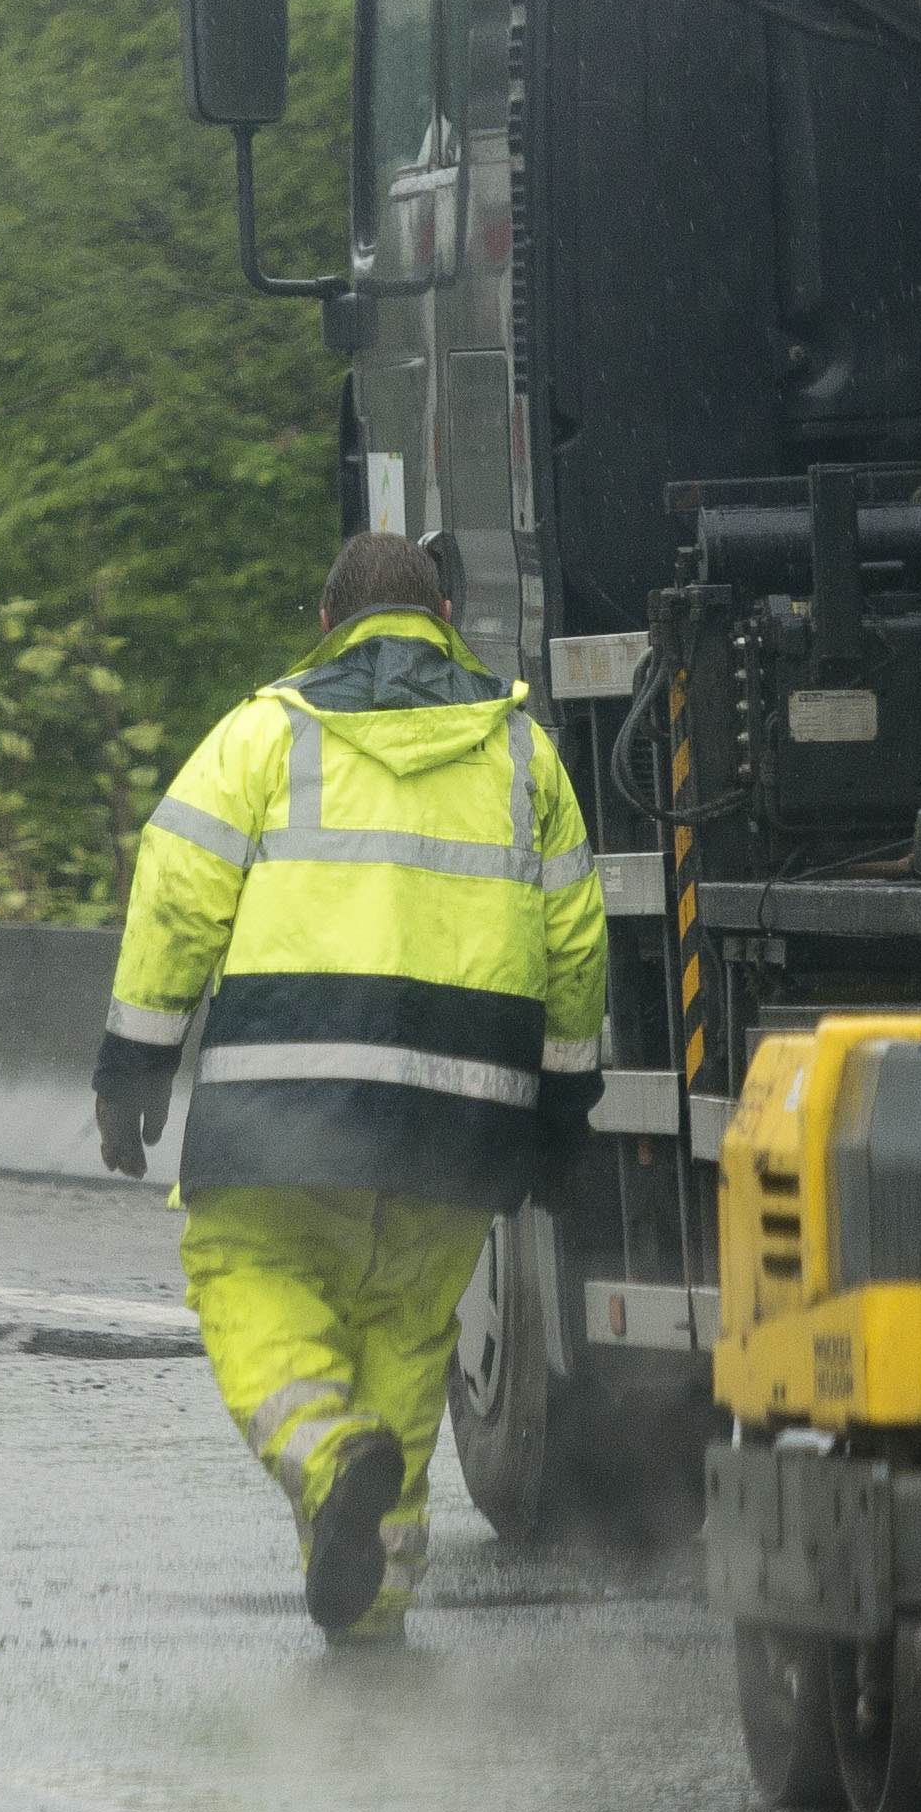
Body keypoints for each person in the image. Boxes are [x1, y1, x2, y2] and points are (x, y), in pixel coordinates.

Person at [94, 533, 611, 1645]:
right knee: (406, 1345)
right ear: (443, 619)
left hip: (286, 1106)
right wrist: (563, 1113)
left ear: (327, 626)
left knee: (250, 1278)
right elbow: (575, 949)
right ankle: (369, 1605)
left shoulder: (263, 734)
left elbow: (176, 886)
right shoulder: (523, 756)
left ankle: (332, 1464)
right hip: (455, 1123)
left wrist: (135, 1057)